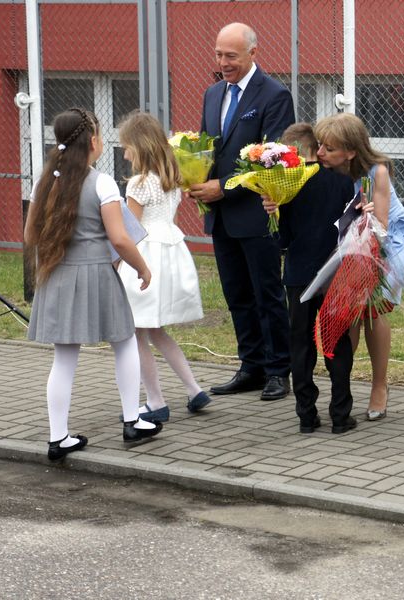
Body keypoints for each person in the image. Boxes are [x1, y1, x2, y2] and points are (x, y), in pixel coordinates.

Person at [25, 108, 162, 460]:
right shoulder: (101, 183)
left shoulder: (43, 182)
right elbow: (119, 238)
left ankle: (58, 437)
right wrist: (143, 268)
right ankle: (132, 421)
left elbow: (30, 235)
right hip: (97, 274)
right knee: (124, 341)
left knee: (64, 358)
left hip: (56, 274)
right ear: (93, 141)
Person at [187, 22, 295, 401]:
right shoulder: (213, 93)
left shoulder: (275, 95)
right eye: (218, 54)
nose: (223, 62)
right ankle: (251, 366)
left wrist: (224, 187)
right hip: (220, 216)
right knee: (236, 294)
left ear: (253, 53)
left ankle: (278, 370)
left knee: (267, 293)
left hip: (256, 212)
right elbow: (206, 147)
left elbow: (273, 157)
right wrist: (194, 177)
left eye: (231, 56)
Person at [313, 113, 404, 425]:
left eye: (329, 148)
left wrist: (367, 214)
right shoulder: (325, 169)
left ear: (350, 152)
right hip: (351, 239)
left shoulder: (377, 171)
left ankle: (379, 386)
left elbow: (382, 227)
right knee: (348, 310)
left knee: (371, 308)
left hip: (393, 240)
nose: (320, 153)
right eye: (319, 145)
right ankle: (342, 390)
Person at [116, 111, 212, 423]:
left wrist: (116, 262)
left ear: (140, 146)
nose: (125, 154)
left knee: (136, 333)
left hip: (145, 256)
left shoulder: (139, 183)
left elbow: (131, 230)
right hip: (170, 251)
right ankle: (194, 389)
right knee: (157, 331)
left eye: (127, 147)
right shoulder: (171, 178)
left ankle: (155, 400)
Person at [261, 123, 358, 434]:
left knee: (301, 341)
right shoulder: (342, 182)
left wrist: (274, 213)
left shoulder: (287, 186)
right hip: (334, 272)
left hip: (298, 274)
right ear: (316, 147)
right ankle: (340, 414)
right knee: (336, 340)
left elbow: (283, 238)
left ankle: (306, 414)